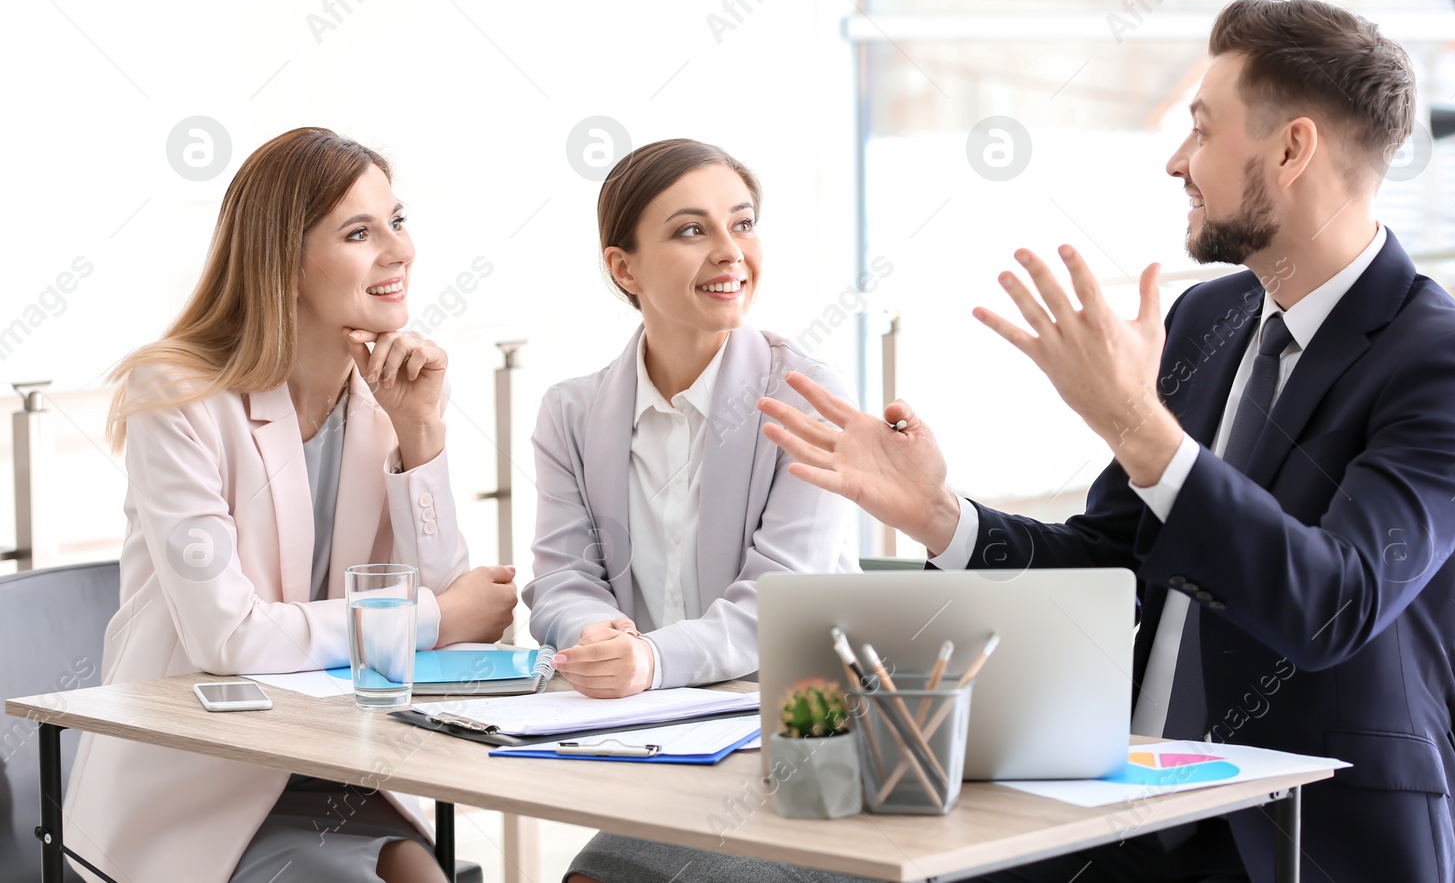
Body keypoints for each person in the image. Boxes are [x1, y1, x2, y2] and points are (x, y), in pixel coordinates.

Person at [757, 0, 1455, 882]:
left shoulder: (1453, 366)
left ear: (1291, 148)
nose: (1176, 162)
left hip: (1305, 836)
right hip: (1124, 811)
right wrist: (938, 513)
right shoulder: (1209, 316)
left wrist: (1137, 425)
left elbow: (1333, 605)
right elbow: (1113, 558)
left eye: (1200, 131)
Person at [64, 127, 518, 883]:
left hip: (341, 763)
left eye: (397, 222)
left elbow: (454, 619)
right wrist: (437, 618)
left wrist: (422, 438)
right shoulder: (178, 397)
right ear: (287, 261)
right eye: (359, 231)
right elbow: (231, 639)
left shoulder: (383, 399)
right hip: (203, 777)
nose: (399, 251)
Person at [522, 139, 859, 883]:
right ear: (624, 267)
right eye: (690, 230)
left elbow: (786, 603)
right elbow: (559, 577)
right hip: (658, 752)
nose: (729, 251)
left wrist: (649, 659)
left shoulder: (807, 396)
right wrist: (592, 632)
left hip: (804, 760)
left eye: (742, 224)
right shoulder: (572, 412)